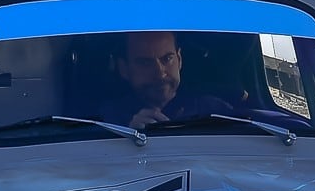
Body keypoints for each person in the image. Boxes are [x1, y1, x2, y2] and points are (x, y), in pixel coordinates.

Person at [93, 31, 234, 130]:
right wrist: (126, 138)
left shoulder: (215, 112)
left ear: (179, 60)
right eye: (145, 63)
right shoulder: (106, 121)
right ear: (124, 69)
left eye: (167, 59)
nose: (160, 73)